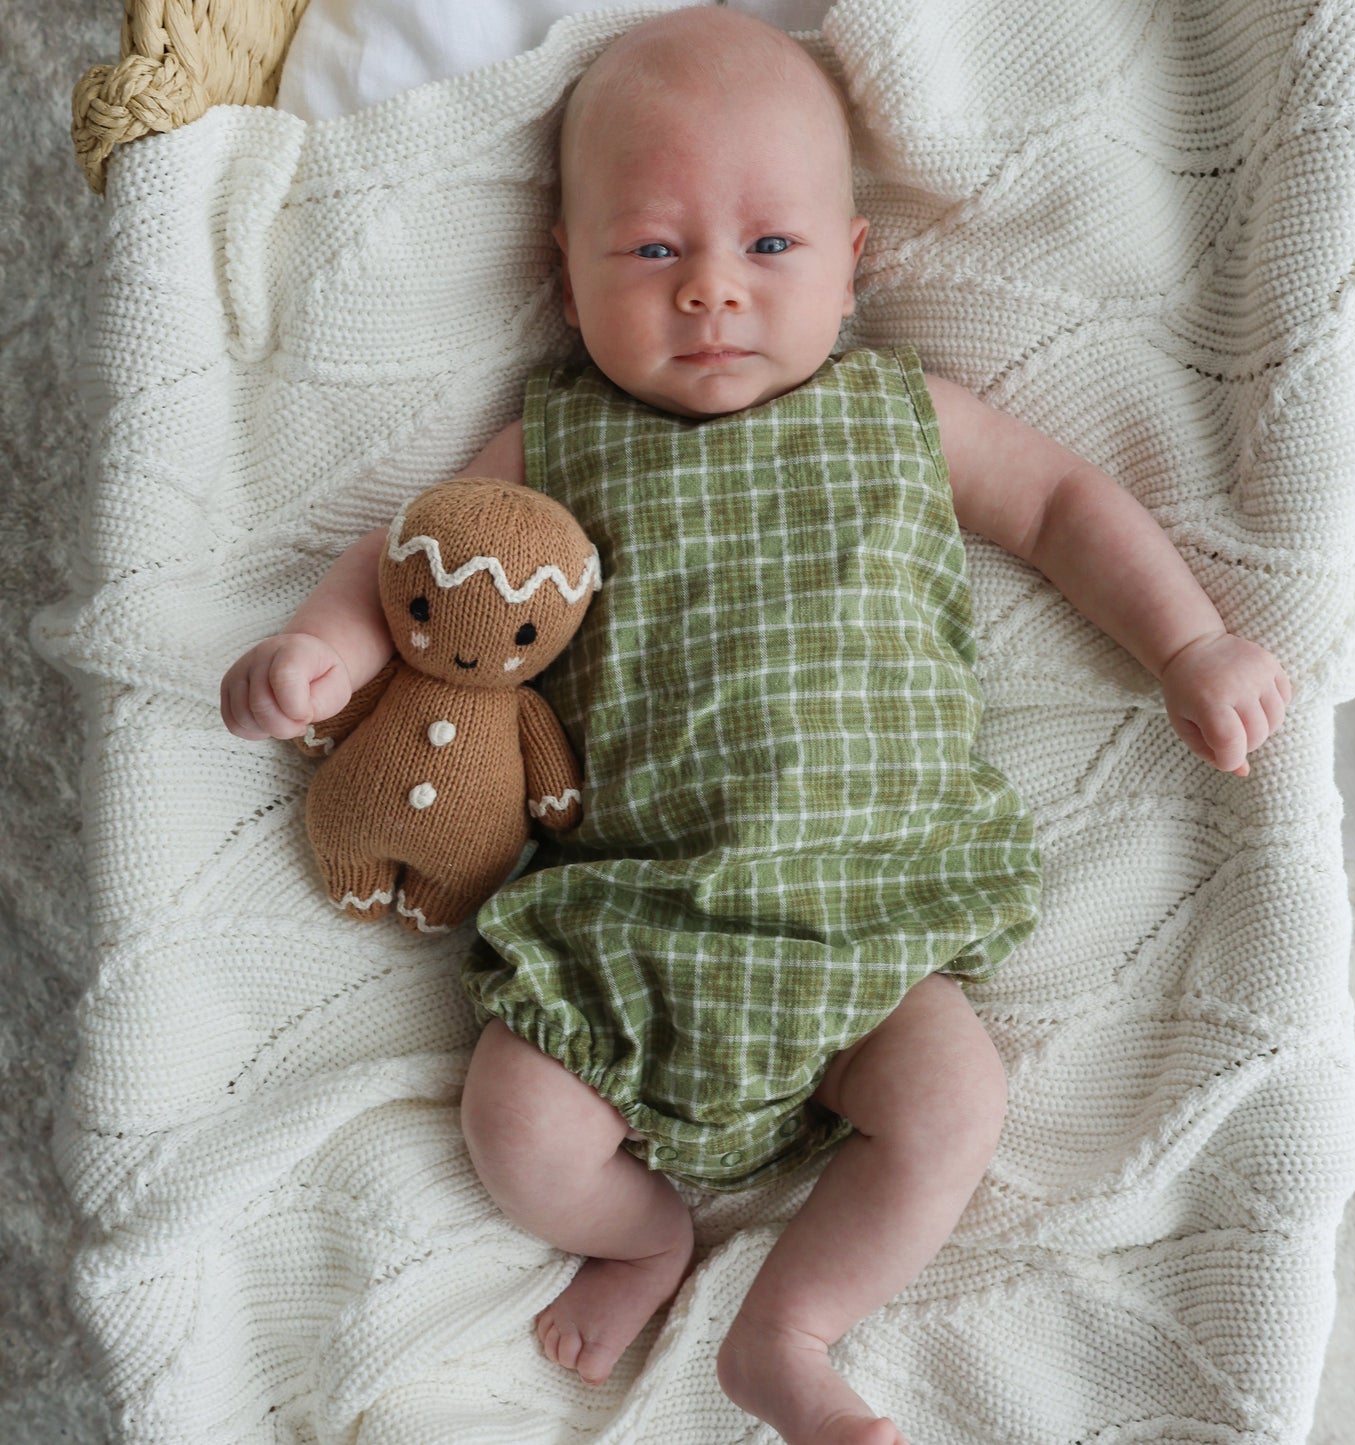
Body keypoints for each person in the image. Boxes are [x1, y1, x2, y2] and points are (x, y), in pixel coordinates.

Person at [219, 10, 1292, 1443]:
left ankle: (788, 1326)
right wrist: (317, 648)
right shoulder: (555, 438)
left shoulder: (901, 412)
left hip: (869, 920)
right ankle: (637, 1235)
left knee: (952, 1100)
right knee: (515, 1125)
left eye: (769, 250)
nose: (711, 292)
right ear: (565, 271)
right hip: (634, 923)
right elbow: (416, 558)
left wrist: (1187, 640)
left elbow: (1058, 509)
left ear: (856, 261)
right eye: (653, 251)